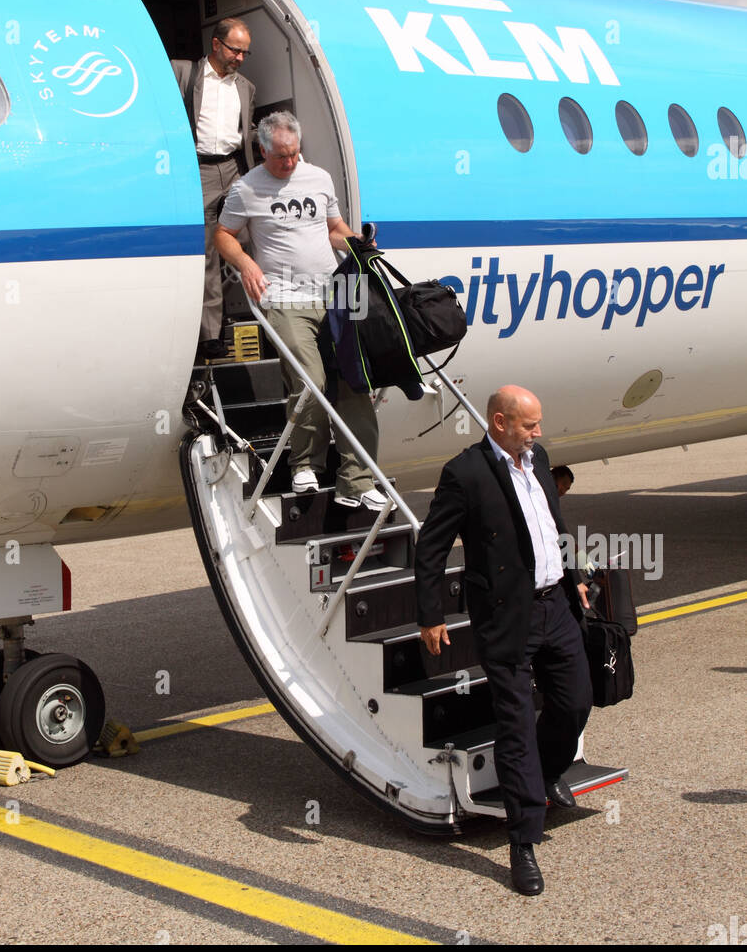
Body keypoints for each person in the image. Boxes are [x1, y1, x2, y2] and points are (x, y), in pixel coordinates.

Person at [414, 386, 591, 896]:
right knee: (514, 728)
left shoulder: (539, 460)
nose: (539, 433)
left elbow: (552, 524)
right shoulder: (464, 474)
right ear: (499, 422)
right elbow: (432, 546)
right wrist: (431, 614)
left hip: (555, 605)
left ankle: (545, 773)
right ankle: (523, 842)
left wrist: (572, 573)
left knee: (575, 704)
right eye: (529, 425)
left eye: (538, 425)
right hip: (504, 617)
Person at [214, 110, 387, 509]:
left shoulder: (318, 177)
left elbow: (333, 229)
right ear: (262, 151)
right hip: (285, 298)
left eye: (294, 154)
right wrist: (247, 263)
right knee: (310, 380)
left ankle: (357, 481)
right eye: (281, 157)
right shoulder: (246, 189)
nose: (290, 163)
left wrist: (357, 243)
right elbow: (224, 235)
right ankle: (305, 462)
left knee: (353, 382)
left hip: (333, 295)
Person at [172, 18, 256, 361]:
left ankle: (261, 313)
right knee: (208, 248)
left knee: (253, 237)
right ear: (217, 45)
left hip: (234, 168)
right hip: (201, 168)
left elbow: (246, 130)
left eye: (245, 52)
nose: (239, 57)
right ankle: (210, 335)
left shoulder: (246, 87)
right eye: (235, 50)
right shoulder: (183, 73)